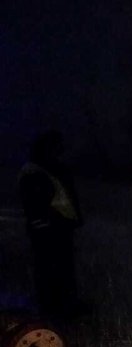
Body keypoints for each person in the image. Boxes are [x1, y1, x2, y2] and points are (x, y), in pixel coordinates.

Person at [18, 130, 83, 318]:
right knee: (49, 270)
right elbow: (36, 203)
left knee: (63, 268)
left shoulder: (51, 168)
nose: (60, 152)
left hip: (60, 227)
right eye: (56, 148)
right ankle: (53, 309)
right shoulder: (34, 171)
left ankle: (65, 306)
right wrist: (46, 223)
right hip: (48, 229)